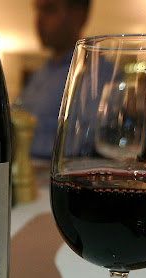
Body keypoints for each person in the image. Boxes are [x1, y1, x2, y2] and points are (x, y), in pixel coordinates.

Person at [14, 0, 91, 159]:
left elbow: (84, 144)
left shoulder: (97, 73)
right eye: (38, 10)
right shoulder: (39, 74)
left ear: (78, 16)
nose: (38, 20)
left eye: (49, 10)